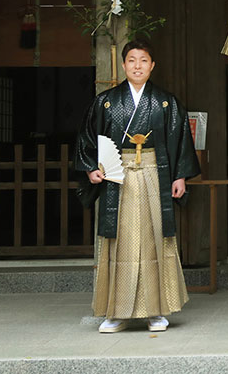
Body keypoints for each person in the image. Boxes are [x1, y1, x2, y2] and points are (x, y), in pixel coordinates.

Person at [75, 39, 200, 333]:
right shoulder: (106, 102)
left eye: (143, 60)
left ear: (152, 65)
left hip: (155, 174)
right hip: (118, 177)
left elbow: (181, 141)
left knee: (155, 236)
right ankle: (115, 313)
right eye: (132, 60)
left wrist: (179, 176)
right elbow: (87, 139)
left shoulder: (165, 102)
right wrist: (92, 167)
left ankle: (155, 311)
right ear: (123, 65)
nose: (137, 66)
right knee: (119, 239)